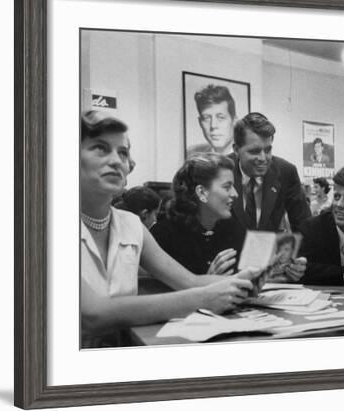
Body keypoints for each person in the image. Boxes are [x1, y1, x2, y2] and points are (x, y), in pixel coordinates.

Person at [79, 110, 257, 348]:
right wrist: (202, 299)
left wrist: (243, 281)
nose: (116, 160)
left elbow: (190, 281)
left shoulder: (132, 224)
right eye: (101, 148)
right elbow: (93, 314)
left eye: (122, 152)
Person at [151, 153, 245, 275]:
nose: (235, 194)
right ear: (201, 192)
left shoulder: (234, 229)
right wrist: (207, 281)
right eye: (227, 187)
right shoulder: (164, 236)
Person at [228, 112, 311, 233]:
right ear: (236, 150)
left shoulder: (286, 172)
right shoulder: (221, 171)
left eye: (267, 150)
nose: (263, 158)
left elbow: (304, 226)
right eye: (254, 151)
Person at [187, 85, 237, 156]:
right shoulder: (191, 154)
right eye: (206, 118)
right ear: (200, 123)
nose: (213, 125)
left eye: (221, 117)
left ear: (234, 121)